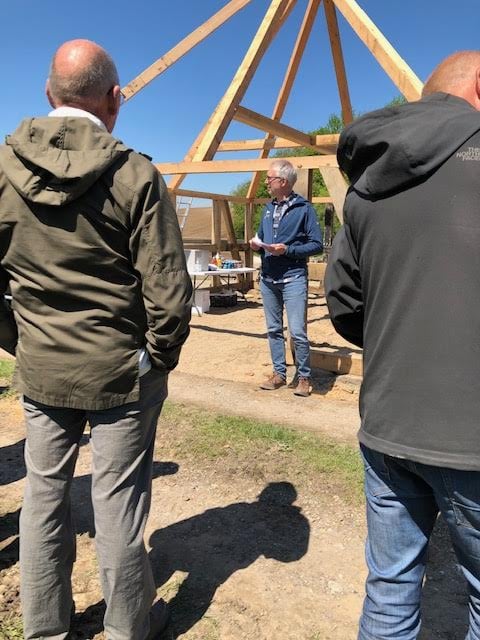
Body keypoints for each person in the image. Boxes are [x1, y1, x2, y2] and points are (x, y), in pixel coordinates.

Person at [0, 40, 192, 639]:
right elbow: (169, 287)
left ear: (48, 94)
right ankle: (129, 628)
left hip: (44, 367)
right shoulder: (134, 174)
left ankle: (45, 629)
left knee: (42, 499)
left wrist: (20, 341)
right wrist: (156, 358)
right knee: (118, 506)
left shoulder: (3, 171)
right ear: (114, 98)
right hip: (120, 372)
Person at [325, 50, 480, 639]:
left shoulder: (367, 184)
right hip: (470, 437)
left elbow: (345, 304)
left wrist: (399, 335)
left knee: (390, 588)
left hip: (388, 425)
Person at [250, 159, 322, 397]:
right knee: (273, 330)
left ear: (283, 181)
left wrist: (288, 250)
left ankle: (303, 378)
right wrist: (256, 245)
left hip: (293, 278)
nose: (266, 182)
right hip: (268, 278)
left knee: (297, 331)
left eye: (269, 178)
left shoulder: (304, 209)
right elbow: (262, 238)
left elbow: (316, 245)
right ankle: (279, 374)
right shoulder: (268, 208)